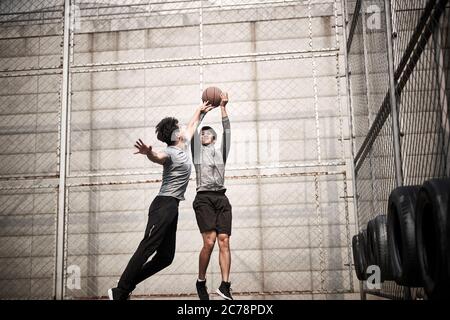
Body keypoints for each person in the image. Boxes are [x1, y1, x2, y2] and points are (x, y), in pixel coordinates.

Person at [108, 101, 214, 300]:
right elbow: (159, 156)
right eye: (178, 128)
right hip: (163, 205)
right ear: (175, 135)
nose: (182, 128)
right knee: (148, 246)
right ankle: (120, 291)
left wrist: (200, 111)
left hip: (172, 207)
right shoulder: (171, 153)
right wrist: (149, 153)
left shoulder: (184, 146)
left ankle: (125, 287)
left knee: (166, 257)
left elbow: (192, 126)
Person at [191, 92, 233, 300]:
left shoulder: (221, 152)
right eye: (202, 134)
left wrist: (223, 107)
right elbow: (193, 131)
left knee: (224, 240)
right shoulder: (197, 153)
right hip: (204, 198)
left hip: (221, 198)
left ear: (214, 138)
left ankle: (225, 286)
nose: (203, 135)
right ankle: (201, 281)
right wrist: (202, 113)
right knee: (210, 242)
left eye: (207, 134)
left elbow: (228, 131)